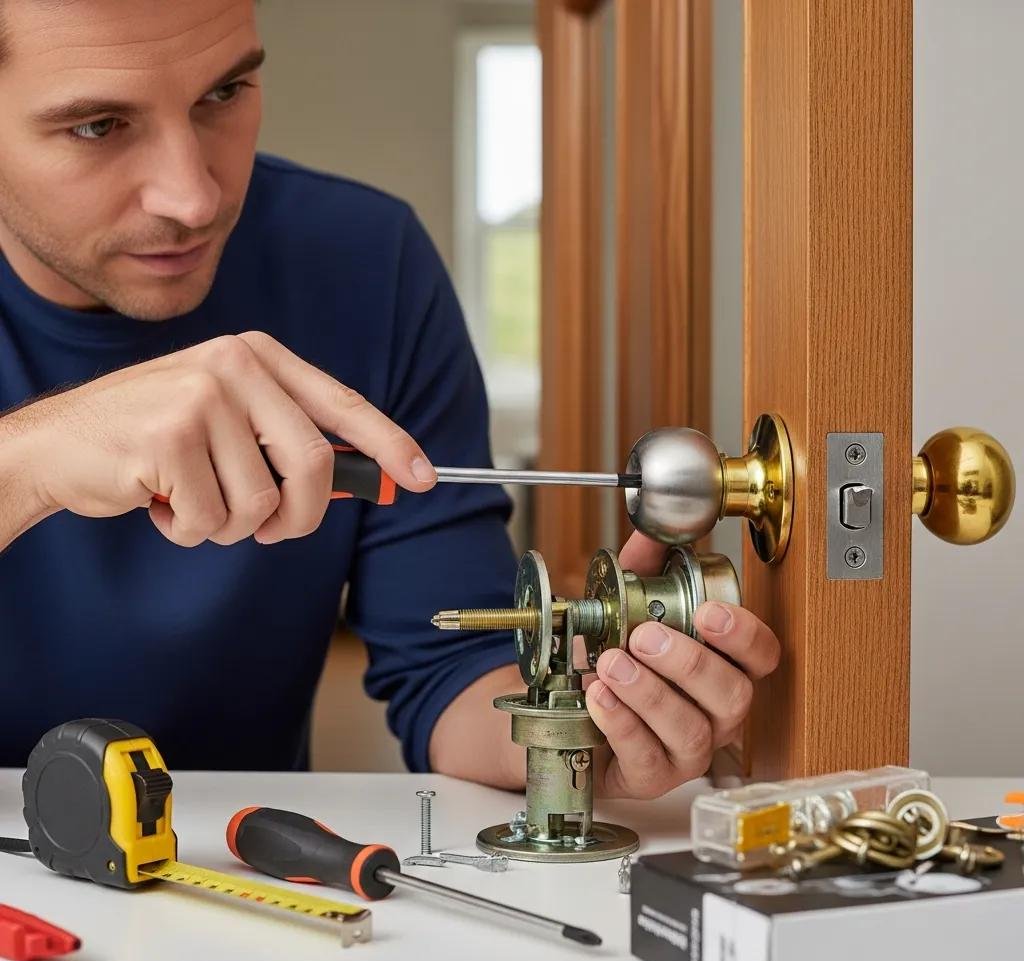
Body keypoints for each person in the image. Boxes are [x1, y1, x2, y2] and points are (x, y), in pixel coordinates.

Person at [0, 0, 779, 796]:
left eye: (224, 94)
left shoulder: (367, 262)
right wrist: (30, 462)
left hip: (238, 875)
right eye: (97, 127)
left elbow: (451, 673)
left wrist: (593, 712)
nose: (193, 199)